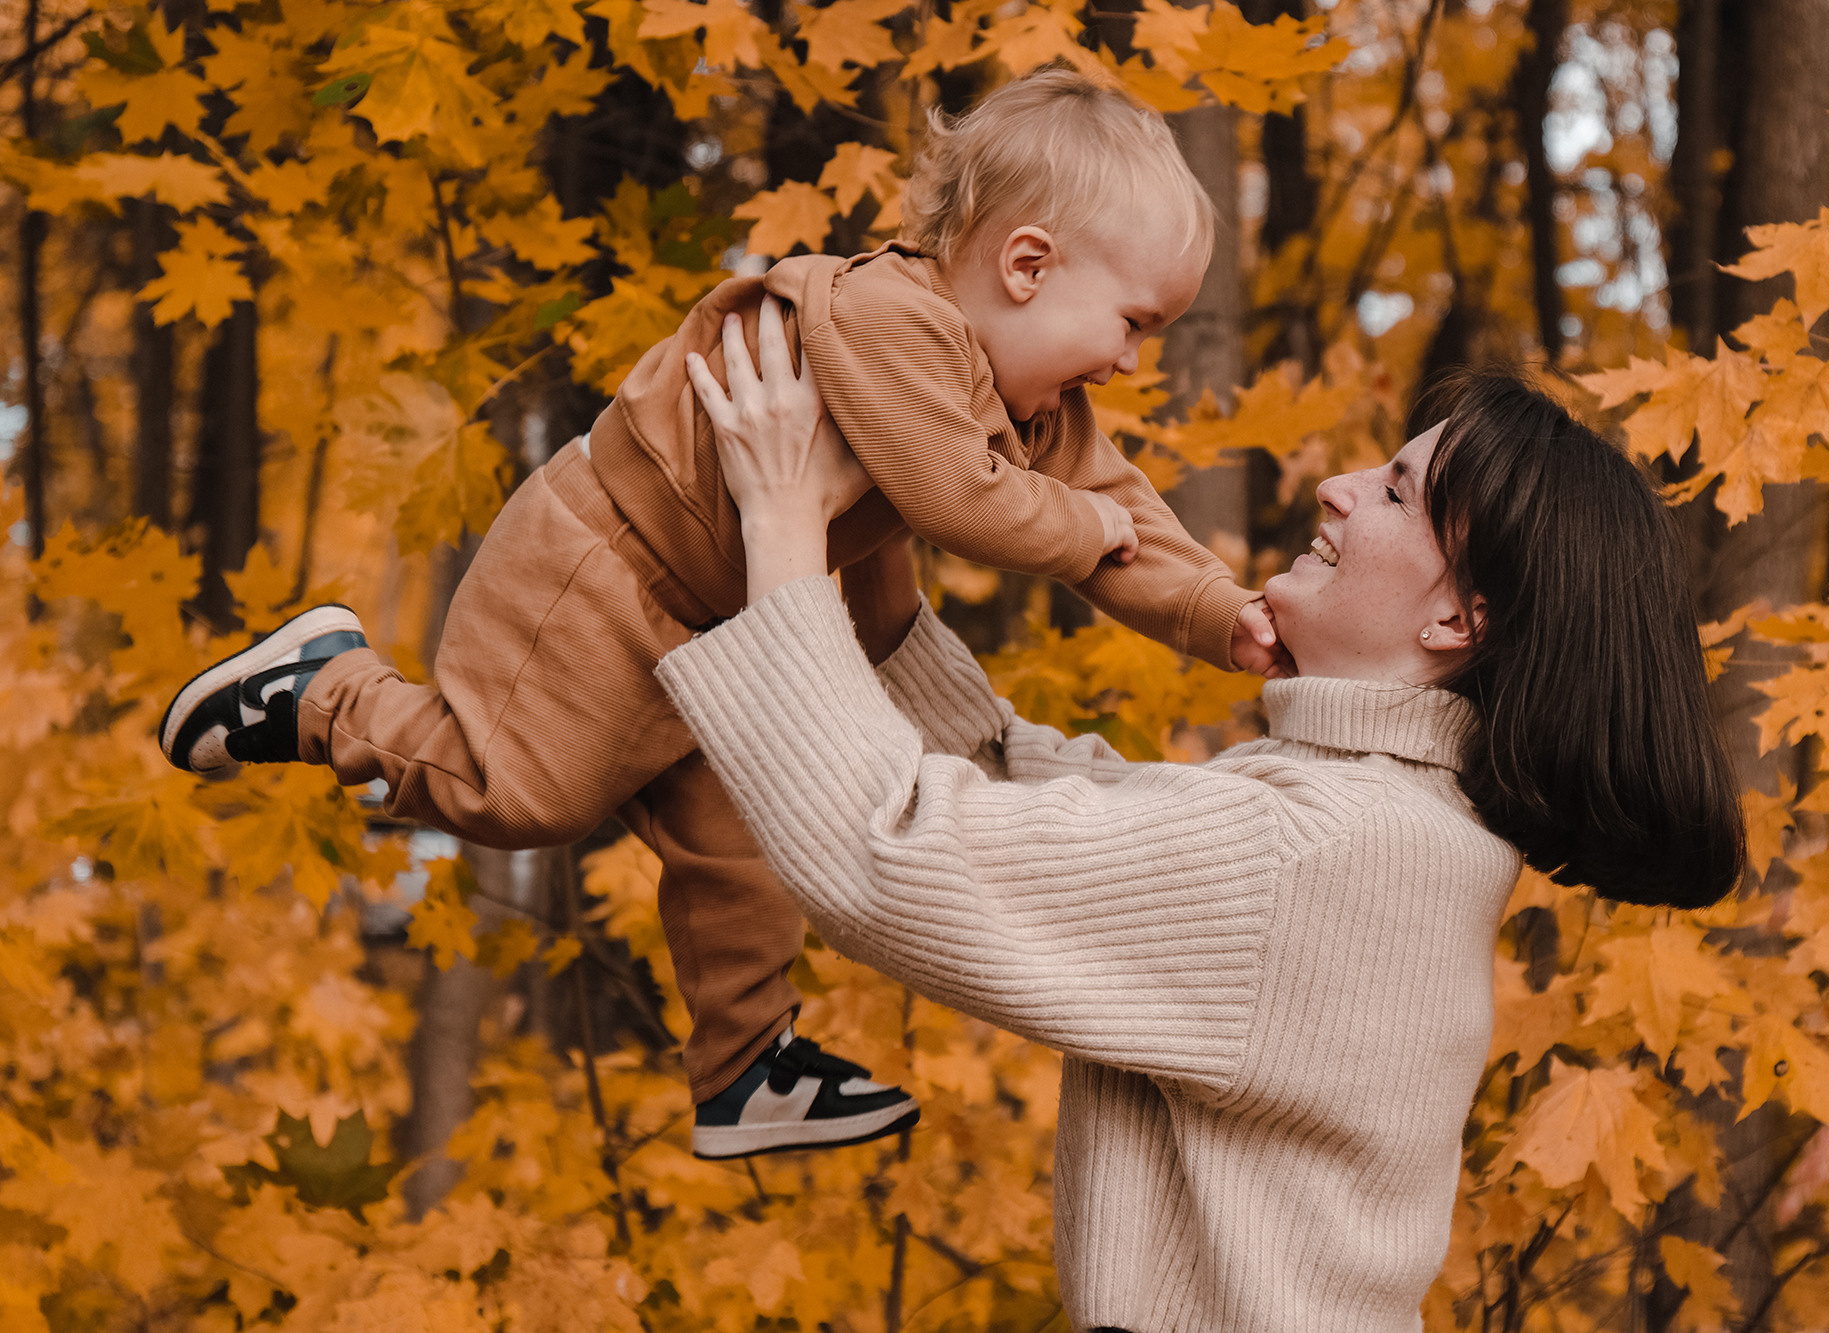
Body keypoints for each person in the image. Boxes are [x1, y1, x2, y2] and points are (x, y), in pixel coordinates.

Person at [155, 69, 1288, 1161]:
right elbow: (971, 506)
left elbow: (1115, 504)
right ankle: (323, 686)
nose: (1132, 364)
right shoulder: (891, 318)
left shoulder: (1027, 390)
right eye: (1132, 323)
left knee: (750, 840)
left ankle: (746, 1069)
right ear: (1027, 265)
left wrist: (1215, 612)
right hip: (605, 569)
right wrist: (1084, 533)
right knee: (511, 792)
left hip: (720, 628)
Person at [651, 313, 1745, 1331]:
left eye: (1397, 493)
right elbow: (1020, 786)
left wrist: (784, 525)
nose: (1334, 486)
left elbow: (889, 853)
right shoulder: (1385, 822)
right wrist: (873, 522)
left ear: (1461, 615)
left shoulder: (1322, 853)